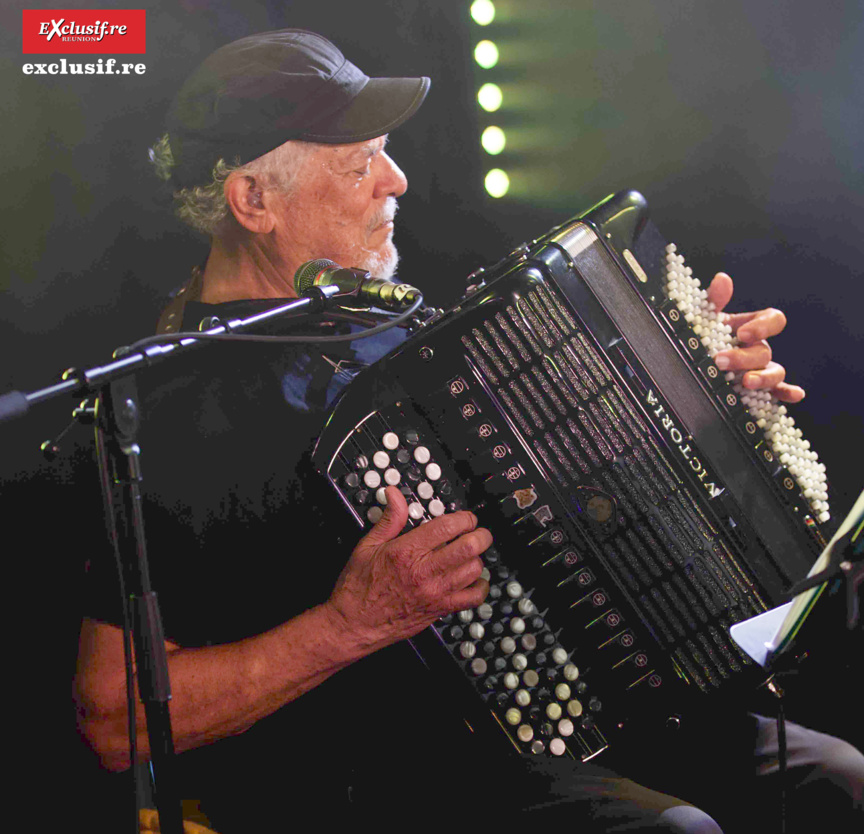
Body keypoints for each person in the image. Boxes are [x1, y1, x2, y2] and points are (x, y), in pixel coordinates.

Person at [73, 29, 863, 832]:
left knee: (840, 782)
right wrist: (345, 627)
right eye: (360, 163)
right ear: (254, 202)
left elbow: (575, 499)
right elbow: (109, 717)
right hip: (380, 779)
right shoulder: (167, 412)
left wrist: (705, 391)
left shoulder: (397, 329)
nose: (397, 180)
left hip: (583, 710)